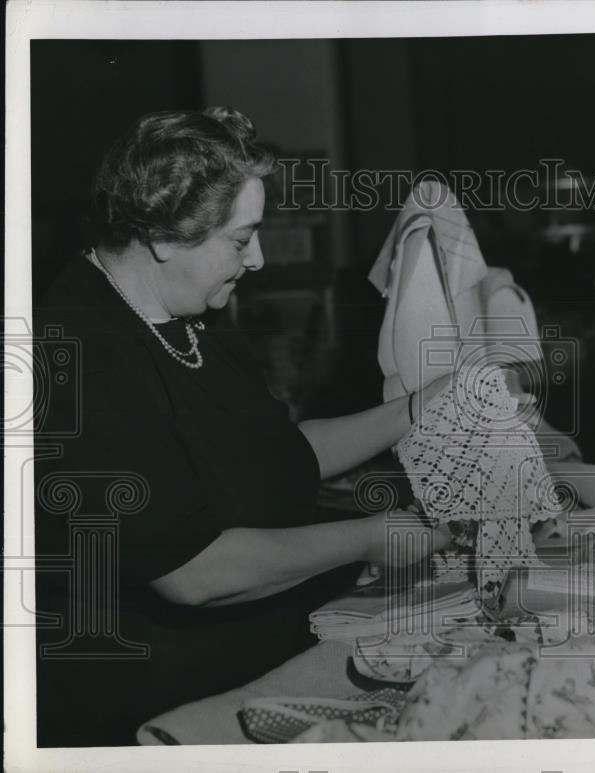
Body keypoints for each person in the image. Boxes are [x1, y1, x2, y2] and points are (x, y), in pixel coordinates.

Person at [33, 107, 453, 746]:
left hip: (248, 651)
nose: (256, 259)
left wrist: (420, 408)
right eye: (240, 238)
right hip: (138, 693)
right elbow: (194, 573)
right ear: (165, 237)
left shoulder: (192, 317)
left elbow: (278, 453)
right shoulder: (79, 353)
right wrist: (374, 537)